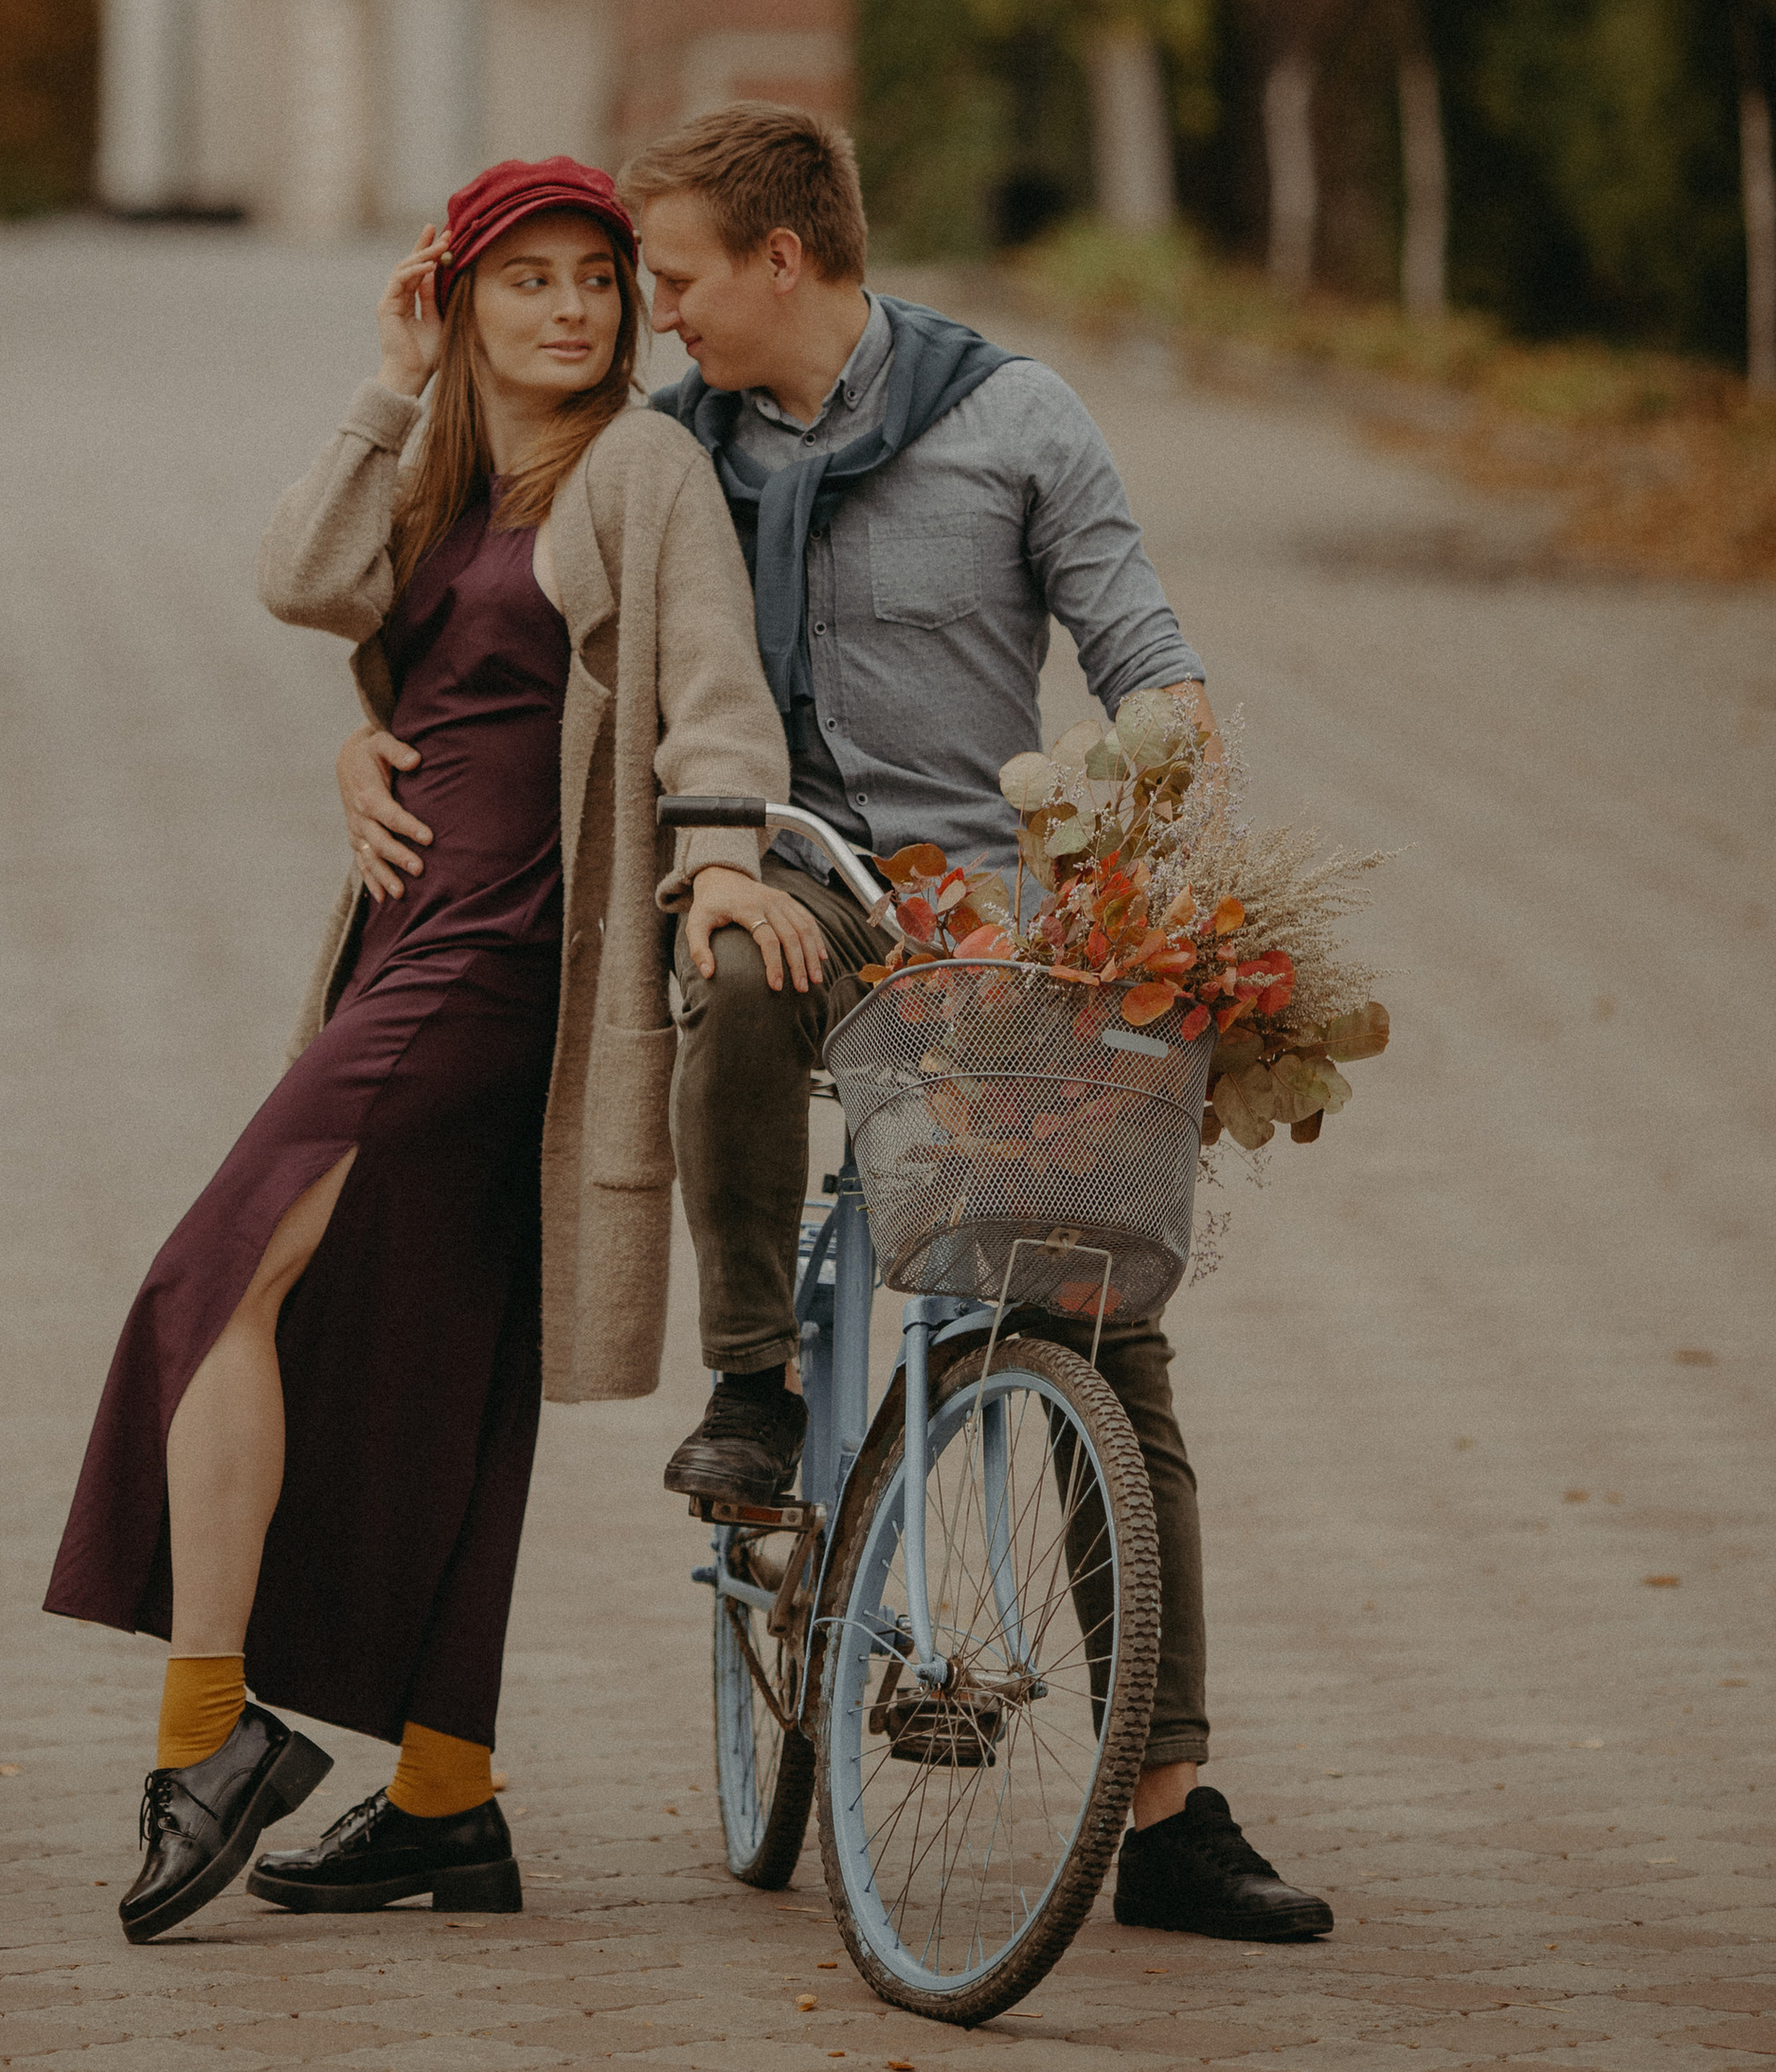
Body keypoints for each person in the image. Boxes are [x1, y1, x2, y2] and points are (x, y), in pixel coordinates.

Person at [338, 104, 1333, 1947]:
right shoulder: (661, 454)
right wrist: (363, 723)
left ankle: (1172, 1808)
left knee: (1103, 1328)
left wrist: (1168, 860)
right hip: (775, 880)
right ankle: (752, 1380)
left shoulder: (1008, 421)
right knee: (732, 970)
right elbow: (459, 601)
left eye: (678, 277)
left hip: (988, 929)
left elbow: (1146, 664)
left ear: (780, 264)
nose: (653, 313)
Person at [45, 153, 787, 1947]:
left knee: (215, 1280)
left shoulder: (644, 465)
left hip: (509, 954)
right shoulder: (457, 461)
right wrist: (389, 387)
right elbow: (307, 584)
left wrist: (725, 857)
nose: (572, 310)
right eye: (524, 278)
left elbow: (712, 681)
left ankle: (207, 1739)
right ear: (460, 299)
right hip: (408, 937)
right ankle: (447, 1800)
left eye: (597, 279)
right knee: (442, 1352)